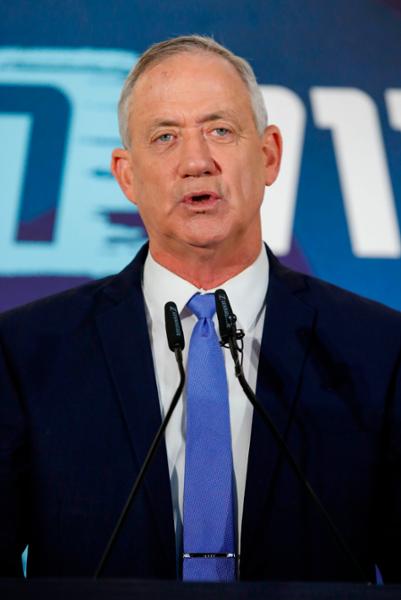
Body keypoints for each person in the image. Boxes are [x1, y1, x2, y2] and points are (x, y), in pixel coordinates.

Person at [0, 35, 400, 583]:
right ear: (126, 176)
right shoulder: (25, 353)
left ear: (268, 155)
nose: (195, 161)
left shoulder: (378, 350)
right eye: (165, 136)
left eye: (220, 130)